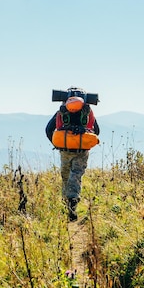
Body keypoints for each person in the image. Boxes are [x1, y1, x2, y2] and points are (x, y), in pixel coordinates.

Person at [46, 87, 100, 222]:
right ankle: (73, 206)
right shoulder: (87, 111)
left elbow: (48, 129)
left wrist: (57, 144)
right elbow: (97, 131)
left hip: (64, 150)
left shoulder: (62, 111)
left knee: (65, 176)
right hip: (82, 151)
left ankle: (66, 206)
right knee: (76, 176)